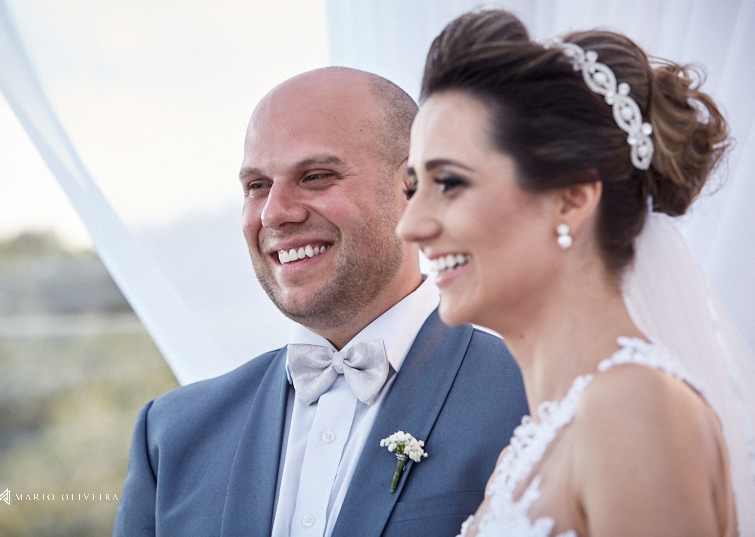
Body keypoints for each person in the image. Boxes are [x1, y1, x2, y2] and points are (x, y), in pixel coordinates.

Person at [113, 66, 529, 536]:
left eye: (315, 176)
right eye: (257, 186)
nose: (275, 213)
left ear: (412, 187)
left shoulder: (534, 400)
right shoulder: (171, 436)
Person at [398, 9, 755, 536]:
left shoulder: (632, 411)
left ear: (571, 200)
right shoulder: (525, 454)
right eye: (414, 187)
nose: (409, 226)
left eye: (450, 182)